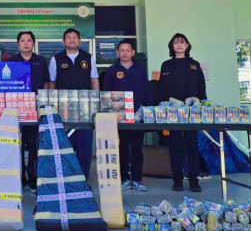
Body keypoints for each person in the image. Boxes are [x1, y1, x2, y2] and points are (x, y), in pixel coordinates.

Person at [156, 32, 207, 192]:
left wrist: (202, 104)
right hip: (173, 113)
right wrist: (163, 109)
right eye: (176, 42)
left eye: (182, 42)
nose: (179, 45)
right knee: (175, 146)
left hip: (192, 113)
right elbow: (161, 89)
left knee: (192, 146)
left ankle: (194, 181)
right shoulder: (166, 65)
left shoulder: (194, 65)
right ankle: (177, 180)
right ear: (172, 46)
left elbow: (201, 87)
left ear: (187, 45)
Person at [48, 28, 100, 179]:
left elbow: (94, 80)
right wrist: (52, 106)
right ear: (63, 41)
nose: (72, 39)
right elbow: (52, 84)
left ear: (79, 40)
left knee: (85, 146)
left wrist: (96, 103)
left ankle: (83, 180)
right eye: (68, 37)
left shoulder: (88, 58)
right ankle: (66, 180)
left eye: (75, 37)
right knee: (65, 146)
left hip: (85, 110)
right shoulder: (56, 59)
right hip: (63, 110)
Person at [102, 40, 149, 192]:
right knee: (122, 148)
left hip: (137, 116)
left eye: (128, 50)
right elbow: (106, 93)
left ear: (133, 52)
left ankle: (137, 179)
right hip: (119, 117)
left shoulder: (140, 70)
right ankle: (123, 179)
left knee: (137, 148)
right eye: (122, 50)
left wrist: (146, 111)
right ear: (117, 53)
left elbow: (147, 91)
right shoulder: (112, 70)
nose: (125, 53)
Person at [10, 31, 51, 193]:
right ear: (18, 44)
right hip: (16, 109)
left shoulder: (40, 60)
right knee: (17, 146)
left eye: (29, 40)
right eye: (22, 41)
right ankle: (19, 179)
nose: (26, 43)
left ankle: (33, 179)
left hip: (34, 109)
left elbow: (46, 83)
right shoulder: (11, 61)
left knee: (34, 145)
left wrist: (42, 101)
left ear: (33, 43)